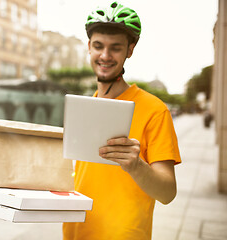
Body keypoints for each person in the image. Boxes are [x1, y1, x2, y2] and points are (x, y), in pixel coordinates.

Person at [63, 2, 181, 240]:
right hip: (76, 233)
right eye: (98, 46)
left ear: (130, 50)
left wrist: (136, 166)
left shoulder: (155, 110)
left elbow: (168, 193)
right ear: (89, 47)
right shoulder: (84, 108)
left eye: (115, 48)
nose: (105, 56)